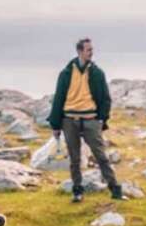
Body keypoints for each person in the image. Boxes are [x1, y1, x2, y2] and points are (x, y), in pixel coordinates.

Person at [47, 38, 125, 202]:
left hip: (91, 120)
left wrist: (101, 119)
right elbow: (59, 99)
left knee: (101, 156)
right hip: (69, 120)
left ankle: (115, 190)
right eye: (88, 50)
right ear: (80, 51)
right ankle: (77, 191)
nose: (91, 52)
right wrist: (55, 124)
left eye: (92, 49)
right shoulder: (66, 73)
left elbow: (105, 98)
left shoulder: (97, 73)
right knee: (75, 159)